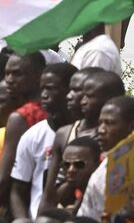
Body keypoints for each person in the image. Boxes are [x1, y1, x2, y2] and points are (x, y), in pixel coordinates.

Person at [40, 69, 124, 210]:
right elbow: (50, 194)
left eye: (89, 96)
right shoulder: (64, 134)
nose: (82, 101)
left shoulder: (116, 137)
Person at [11, 63, 77, 219]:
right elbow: (18, 190)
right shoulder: (33, 136)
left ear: (70, 91)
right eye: (42, 89)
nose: (44, 95)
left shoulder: (86, 134)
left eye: (51, 88)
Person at [0, 52, 48, 207]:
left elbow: (3, 179)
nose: (9, 80)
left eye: (17, 74)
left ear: (38, 75)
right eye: (6, 74)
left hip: (21, 204)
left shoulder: (21, 117)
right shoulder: (55, 110)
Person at [56, 137, 101, 213]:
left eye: (79, 164)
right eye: (66, 165)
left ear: (97, 165)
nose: (71, 170)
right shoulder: (70, 191)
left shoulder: (103, 194)